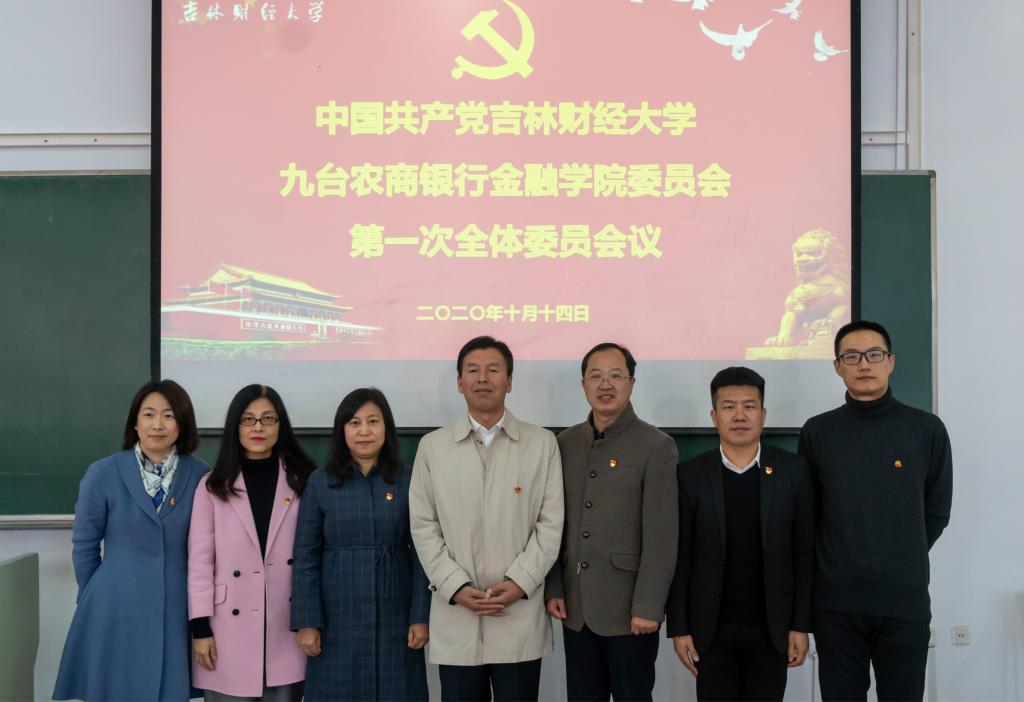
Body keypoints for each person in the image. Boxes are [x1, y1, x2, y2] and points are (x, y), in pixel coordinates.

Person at [799, 320, 953, 701]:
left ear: (891, 361)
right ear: (838, 366)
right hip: (836, 605)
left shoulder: (926, 430)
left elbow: (937, 512)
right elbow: (808, 515)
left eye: (874, 354)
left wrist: (899, 554)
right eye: (852, 356)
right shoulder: (817, 432)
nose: (864, 364)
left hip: (903, 602)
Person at [410, 336, 564, 702]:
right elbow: (423, 526)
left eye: (493, 370)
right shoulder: (432, 447)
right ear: (459, 382)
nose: (483, 378)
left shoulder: (541, 444)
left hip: (518, 615)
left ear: (509, 381)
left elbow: (551, 524)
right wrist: (455, 586)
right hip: (457, 617)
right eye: (473, 370)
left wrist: (520, 582)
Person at [666, 367, 815, 701]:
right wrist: (679, 627)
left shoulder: (793, 471)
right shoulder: (690, 475)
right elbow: (680, 556)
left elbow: (804, 553)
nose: (739, 415)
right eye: (728, 406)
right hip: (709, 629)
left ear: (763, 414)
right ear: (714, 416)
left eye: (749, 406)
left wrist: (800, 624)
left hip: (773, 628)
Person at [53, 380, 207, 701]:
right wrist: (98, 594)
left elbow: (207, 548)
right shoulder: (103, 473)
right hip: (113, 606)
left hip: (176, 607)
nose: (157, 424)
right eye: (148, 414)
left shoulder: (201, 476)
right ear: (135, 422)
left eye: (168, 416)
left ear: (182, 423)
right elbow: (84, 545)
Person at [544, 342, 678, 701]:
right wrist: (554, 586)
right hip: (576, 608)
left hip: (629, 611)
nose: (605, 385)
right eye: (596, 376)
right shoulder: (564, 443)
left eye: (616, 376)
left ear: (631, 382)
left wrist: (649, 607)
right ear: (583, 384)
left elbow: (662, 536)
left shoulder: (656, 445)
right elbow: (553, 522)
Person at [291, 388, 430, 701]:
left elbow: (423, 554)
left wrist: (420, 616)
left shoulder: (409, 479)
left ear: (386, 427)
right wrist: (307, 622)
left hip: (395, 614)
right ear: (342, 430)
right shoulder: (320, 482)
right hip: (336, 618)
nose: (364, 431)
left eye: (373, 421)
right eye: (354, 423)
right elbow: (306, 556)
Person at [188, 384, 315, 701]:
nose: (258, 427)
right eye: (248, 419)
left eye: (268, 418)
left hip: (287, 623)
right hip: (225, 629)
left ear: (280, 426)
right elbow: (200, 563)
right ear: (235, 426)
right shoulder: (213, 485)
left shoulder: (304, 481)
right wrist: (200, 629)